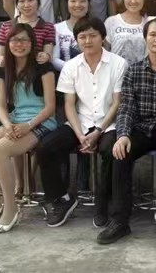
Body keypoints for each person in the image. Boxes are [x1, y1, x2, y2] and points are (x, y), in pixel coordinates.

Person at [97, 18, 156, 252]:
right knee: (120, 153)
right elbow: (126, 108)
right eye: (153, 35)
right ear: (145, 38)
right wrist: (123, 135)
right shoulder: (134, 71)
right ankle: (120, 220)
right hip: (142, 129)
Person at [36, 17, 127, 228]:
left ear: (103, 38)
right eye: (82, 37)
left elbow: (117, 102)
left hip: (109, 123)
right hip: (80, 123)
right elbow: (69, 104)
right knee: (45, 147)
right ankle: (60, 199)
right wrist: (80, 135)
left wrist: (98, 131)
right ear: (76, 40)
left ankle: (103, 204)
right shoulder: (71, 66)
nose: (88, 41)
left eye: (93, 35)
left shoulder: (118, 63)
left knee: (111, 150)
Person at [0, 23, 56, 234]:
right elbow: (1, 106)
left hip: (41, 122)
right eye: (14, 40)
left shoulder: (43, 67)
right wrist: (8, 125)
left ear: (32, 43)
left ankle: (11, 208)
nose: (19, 44)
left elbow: (50, 107)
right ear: (8, 43)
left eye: (23, 40)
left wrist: (28, 126)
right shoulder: (4, 68)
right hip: (15, 120)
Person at [0, 0, 55, 68]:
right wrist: (0, 60)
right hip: (12, 69)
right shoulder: (6, 26)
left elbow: (48, 53)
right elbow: (0, 54)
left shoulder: (48, 27)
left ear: (38, 2)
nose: (26, 5)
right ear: (16, 4)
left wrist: (45, 56)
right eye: (21, 1)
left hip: (36, 69)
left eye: (30, 0)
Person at [105, 0, 147, 67]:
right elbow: (105, 51)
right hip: (115, 71)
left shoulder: (148, 23)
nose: (133, 1)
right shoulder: (111, 21)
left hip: (140, 72)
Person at [53, 0, 90, 72]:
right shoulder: (57, 28)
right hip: (65, 76)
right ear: (67, 3)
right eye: (73, 1)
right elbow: (54, 59)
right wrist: (72, 69)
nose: (77, 5)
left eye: (82, 1)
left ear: (88, 3)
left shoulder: (95, 27)